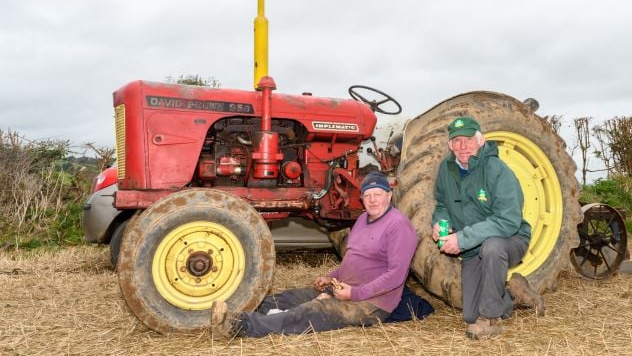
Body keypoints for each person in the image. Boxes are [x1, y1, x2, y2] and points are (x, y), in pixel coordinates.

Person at [211, 171, 418, 338]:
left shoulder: (398, 226)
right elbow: (355, 259)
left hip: (371, 303)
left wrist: (355, 294)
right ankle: (229, 310)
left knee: (308, 312)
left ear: (389, 196)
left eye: (378, 194)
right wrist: (331, 277)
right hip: (342, 288)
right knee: (287, 298)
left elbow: (396, 275)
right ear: (362, 198)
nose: (373, 200)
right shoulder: (363, 219)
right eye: (368, 195)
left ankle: (240, 326)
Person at [432, 116, 545, 340]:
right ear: (449, 144)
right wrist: (439, 221)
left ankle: (492, 320)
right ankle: (513, 293)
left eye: (468, 139)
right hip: (474, 244)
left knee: (492, 248)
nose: (462, 146)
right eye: (457, 140)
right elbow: (442, 204)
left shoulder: (497, 169)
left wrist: (462, 240)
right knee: (470, 314)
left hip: (510, 238)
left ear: (481, 140)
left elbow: (508, 220)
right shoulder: (446, 169)